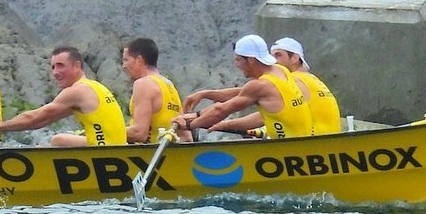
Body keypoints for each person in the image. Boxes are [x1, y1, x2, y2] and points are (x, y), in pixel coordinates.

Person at [174, 35, 313, 140]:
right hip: (301, 142)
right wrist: (206, 95)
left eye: (238, 60)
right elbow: (242, 93)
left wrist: (187, 125)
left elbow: (220, 111)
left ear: (251, 60)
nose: (236, 65)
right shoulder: (279, 70)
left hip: (288, 149)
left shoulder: (261, 86)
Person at [0, 46, 126, 146]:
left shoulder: (77, 91)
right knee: (57, 140)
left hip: (104, 152)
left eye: (60, 65)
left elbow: (35, 118)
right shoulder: (94, 86)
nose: (55, 73)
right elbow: (43, 122)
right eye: (53, 67)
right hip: (113, 146)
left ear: (77, 66)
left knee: (53, 142)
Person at [270, 37, 342, 134]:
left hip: (313, 142)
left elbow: (272, 113)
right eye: (271, 56)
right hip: (330, 140)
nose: (272, 61)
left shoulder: (292, 80)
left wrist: (242, 124)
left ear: (295, 58)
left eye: (278, 55)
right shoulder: (311, 78)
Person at [121, 37, 183, 144]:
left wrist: (108, 131)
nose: (124, 66)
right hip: (167, 152)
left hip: (150, 154)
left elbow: (139, 133)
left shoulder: (143, 84)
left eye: (126, 60)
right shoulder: (169, 85)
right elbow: (186, 137)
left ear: (139, 60)